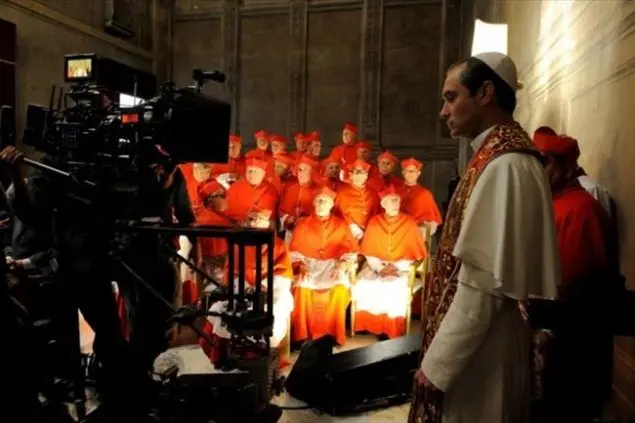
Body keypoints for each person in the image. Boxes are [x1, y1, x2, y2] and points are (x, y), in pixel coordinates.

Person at [408, 52, 560, 423]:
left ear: (485, 92)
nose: (443, 111)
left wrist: (438, 364)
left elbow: (483, 283)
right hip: (483, 343)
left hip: (484, 354)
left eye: (451, 97)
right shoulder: (497, 157)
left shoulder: (507, 164)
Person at [533, 131, 613, 419]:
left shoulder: (580, 209)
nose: (539, 171)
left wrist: (546, 327)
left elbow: (571, 277)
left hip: (569, 333)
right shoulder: (555, 201)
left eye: (545, 163)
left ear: (563, 167)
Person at [353, 185, 427, 338]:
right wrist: (380, 268)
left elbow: (415, 253)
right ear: (383, 204)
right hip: (376, 266)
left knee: (392, 287)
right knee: (364, 284)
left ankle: (389, 329)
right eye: (392, 200)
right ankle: (367, 325)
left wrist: (396, 266)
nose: (395, 204)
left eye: (397, 201)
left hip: (401, 268)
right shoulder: (374, 222)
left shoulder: (409, 222)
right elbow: (369, 250)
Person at [288, 187, 358, 345]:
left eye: (325, 201)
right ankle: (302, 335)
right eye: (319, 200)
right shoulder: (302, 224)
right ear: (313, 203)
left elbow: (350, 251)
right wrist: (301, 266)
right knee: (301, 289)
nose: (321, 204)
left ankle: (332, 334)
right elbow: (294, 252)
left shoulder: (341, 224)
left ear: (332, 205)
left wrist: (343, 264)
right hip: (309, 265)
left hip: (332, 265)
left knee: (339, 289)